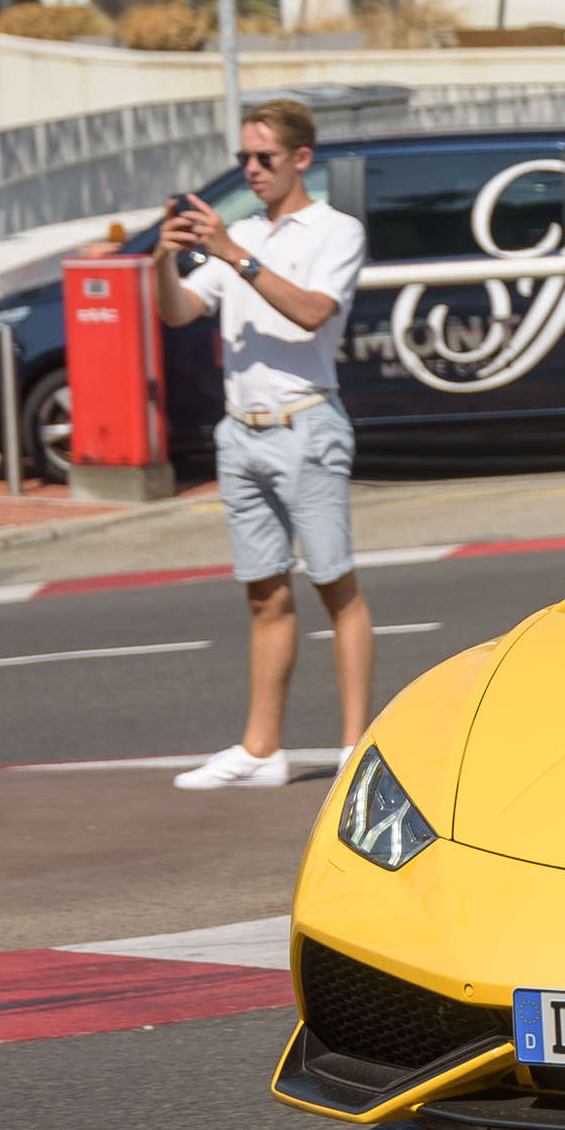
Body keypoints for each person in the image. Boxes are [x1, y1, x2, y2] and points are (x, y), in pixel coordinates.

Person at [159, 99, 374, 790]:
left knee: (334, 586)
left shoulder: (335, 231)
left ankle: (354, 747)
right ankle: (260, 751)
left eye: (264, 158)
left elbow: (313, 314)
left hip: (306, 425)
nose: (250, 169)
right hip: (241, 432)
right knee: (263, 594)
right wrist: (165, 262)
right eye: (243, 158)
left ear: (301, 159)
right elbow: (180, 311)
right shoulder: (243, 234)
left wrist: (232, 253)